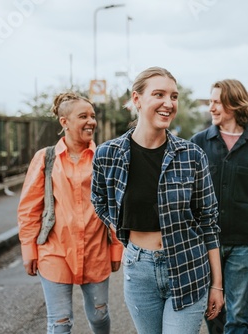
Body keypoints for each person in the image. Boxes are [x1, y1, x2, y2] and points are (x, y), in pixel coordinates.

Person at [90, 66, 224, 334]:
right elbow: (99, 199)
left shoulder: (192, 155)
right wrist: (120, 229)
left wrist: (217, 285)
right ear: (137, 99)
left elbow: (209, 223)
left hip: (188, 266)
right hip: (139, 272)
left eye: (173, 96)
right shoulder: (108, 154)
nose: (168, 103)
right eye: (159, 94)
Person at [18, 92, 123, 334]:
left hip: (96, 250)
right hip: (55, 252)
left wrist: (116, 247)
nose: (91, 121)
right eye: (83, 116)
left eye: (93, 116)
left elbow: (116, 206)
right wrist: (28, 249)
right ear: (64, 122)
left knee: (99, 315)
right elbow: (29, 208)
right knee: (60, 321)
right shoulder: (46, 158)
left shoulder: (104, 158)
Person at [190, 79, 248, 334]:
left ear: (234, 103)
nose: (211, 107)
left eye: (217, 102)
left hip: (243, 243)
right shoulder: (198, 143)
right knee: (213, 311)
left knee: (238, 314)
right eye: (210, 102)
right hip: (206, 244)